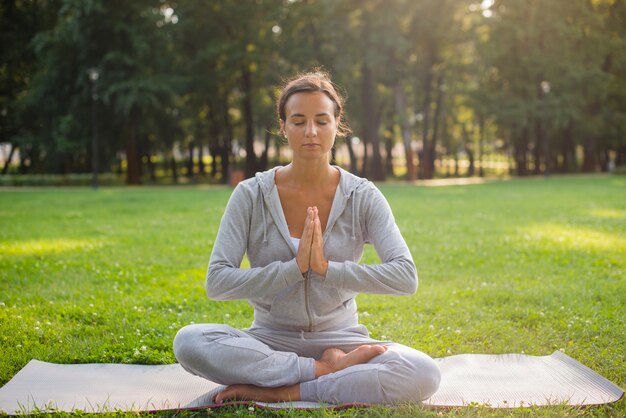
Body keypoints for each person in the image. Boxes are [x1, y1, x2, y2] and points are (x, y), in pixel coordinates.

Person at [173, 71, 441, 405]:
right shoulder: (250, 195)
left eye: (321, 120)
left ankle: (287, 389)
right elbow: (218, 282)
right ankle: (322, 371)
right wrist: (293, 269)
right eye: (298, 121)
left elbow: (405, 277)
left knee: (423, 373)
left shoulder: (363, 196)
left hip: (343, 340)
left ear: (336, 123)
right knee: (189, 341)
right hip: (269, 341)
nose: (310, 132)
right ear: (283, 126)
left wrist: (327, 268)